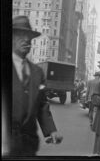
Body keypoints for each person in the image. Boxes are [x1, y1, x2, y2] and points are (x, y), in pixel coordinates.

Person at [11, 15, 63, 156]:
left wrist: (51, 130)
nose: (27, 39)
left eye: (29, 36)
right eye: (21, 35)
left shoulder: (37, 72)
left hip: (29, 146)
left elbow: (41, 104)